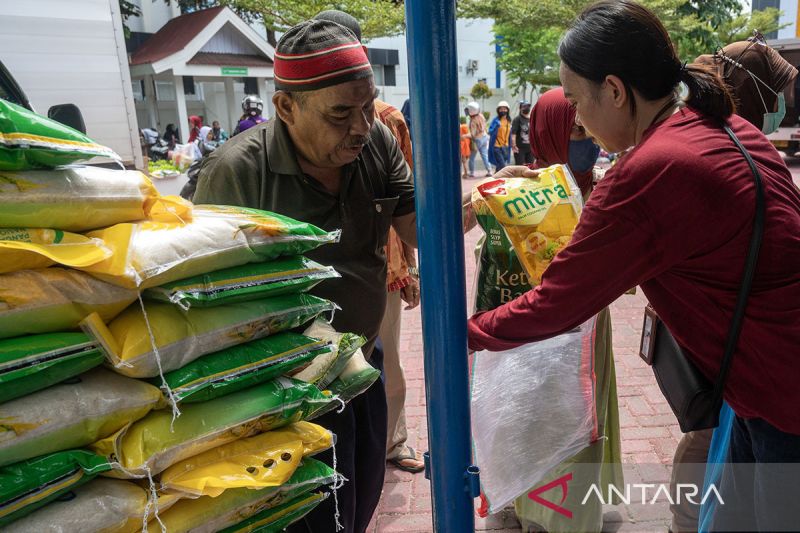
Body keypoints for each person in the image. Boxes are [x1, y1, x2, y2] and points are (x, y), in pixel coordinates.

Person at [467, 2, 800, 533]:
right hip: (764, 383)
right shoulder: (726, 125)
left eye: (576, 99)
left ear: (616, 91)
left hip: (781, 393)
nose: (575, 117)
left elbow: (556, 304)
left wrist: (466, 333)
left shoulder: (648, 170)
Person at [194, 19, 417, 533]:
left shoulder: (377, 142)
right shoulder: (237, 172)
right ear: (286, 107)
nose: (361, 126)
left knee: (359, 498)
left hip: (361, 363)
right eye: (341, 113)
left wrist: (483, 201)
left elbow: (417, 225)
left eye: (367, 106)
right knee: (306, 517)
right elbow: (206, 301)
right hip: (282, 386)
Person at [659, 36, 799, 533]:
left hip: (740, 337)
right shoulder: (722, 144)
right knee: (710, 431)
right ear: (754, 92)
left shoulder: (730, 137)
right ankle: (685, 519)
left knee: (722, 436)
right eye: (779, 92)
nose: (785, 103)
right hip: (735, 335)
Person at [501, 87, 622, 533]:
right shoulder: (517, 194)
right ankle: (545, 509)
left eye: (587, 127)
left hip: (590, 327)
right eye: (574, 131)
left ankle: (579, 506)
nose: (587, 138)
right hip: (540, 328)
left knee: (583, 418)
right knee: (545, 420)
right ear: (548, 132)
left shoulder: (603, 187)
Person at [312, 8, 425, 476]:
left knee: (378, 359)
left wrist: (409, 265)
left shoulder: (382, 122)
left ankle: (386, 442)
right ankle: (383, 444)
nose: (354, 125)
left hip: (380, 263)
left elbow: (406, 203)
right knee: (370, 360)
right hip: (374, 264)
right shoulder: (384, 117)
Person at [529, 88, 600, 197]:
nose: (592, 137)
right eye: (579, 129)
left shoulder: (607, 188)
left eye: (594, 128)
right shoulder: (515, 196)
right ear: (549, 136)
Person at [467, 101, 492, 177]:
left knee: (471, 157)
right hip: (484, 137)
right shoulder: (481, 116)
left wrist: (464, 136)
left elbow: (473, 134)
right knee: (484, 155)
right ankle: (489, 170)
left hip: (477, 140)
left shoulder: (473, 121)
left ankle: (471, 172)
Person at [488, 100, 512, 171]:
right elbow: (490, 131)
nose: (503, 110)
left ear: (507, 110)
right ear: (498, 110)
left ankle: (495, 179)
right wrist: (496, 126)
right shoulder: (495, 120)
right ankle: (503, 180)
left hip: (506, 147)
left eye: (504, 109)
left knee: (499, 167)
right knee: (503, 166)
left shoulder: (509, 121)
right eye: (501, 109)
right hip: (497, 147)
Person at [511, 100, 534, 166]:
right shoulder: (517, 119)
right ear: (520, 108)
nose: (526, 108)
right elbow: (513, 133)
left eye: (528, 106)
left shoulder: (532, 119)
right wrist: (514, 145)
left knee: (530, 167)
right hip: (520, 149)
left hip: (530, 148)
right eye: (524, 106)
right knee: (520, 167)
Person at [460, 113, 472, 178]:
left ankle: (466, 174)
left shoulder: (461, 128)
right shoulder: (467, 128)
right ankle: (466, 173)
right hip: (467, 147)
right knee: (465, 161)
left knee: (464, 162)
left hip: (463, 148)